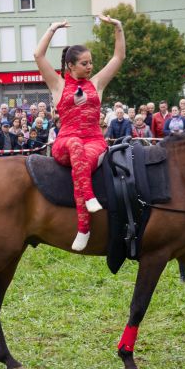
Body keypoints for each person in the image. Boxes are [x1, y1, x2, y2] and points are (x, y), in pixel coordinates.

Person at [34, 14, 125, 250]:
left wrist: (118, 28)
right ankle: (89, 199)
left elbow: (118, 57)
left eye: (91, 62)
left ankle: (84, 228)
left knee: (83, 155)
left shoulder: (96, 84)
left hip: (94, 141)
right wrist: (52, 28)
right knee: (75, 145)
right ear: (71, 65)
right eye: (85, 63)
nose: (90, 66)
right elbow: (38, 55)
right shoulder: (58, 85)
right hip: (65, 141)